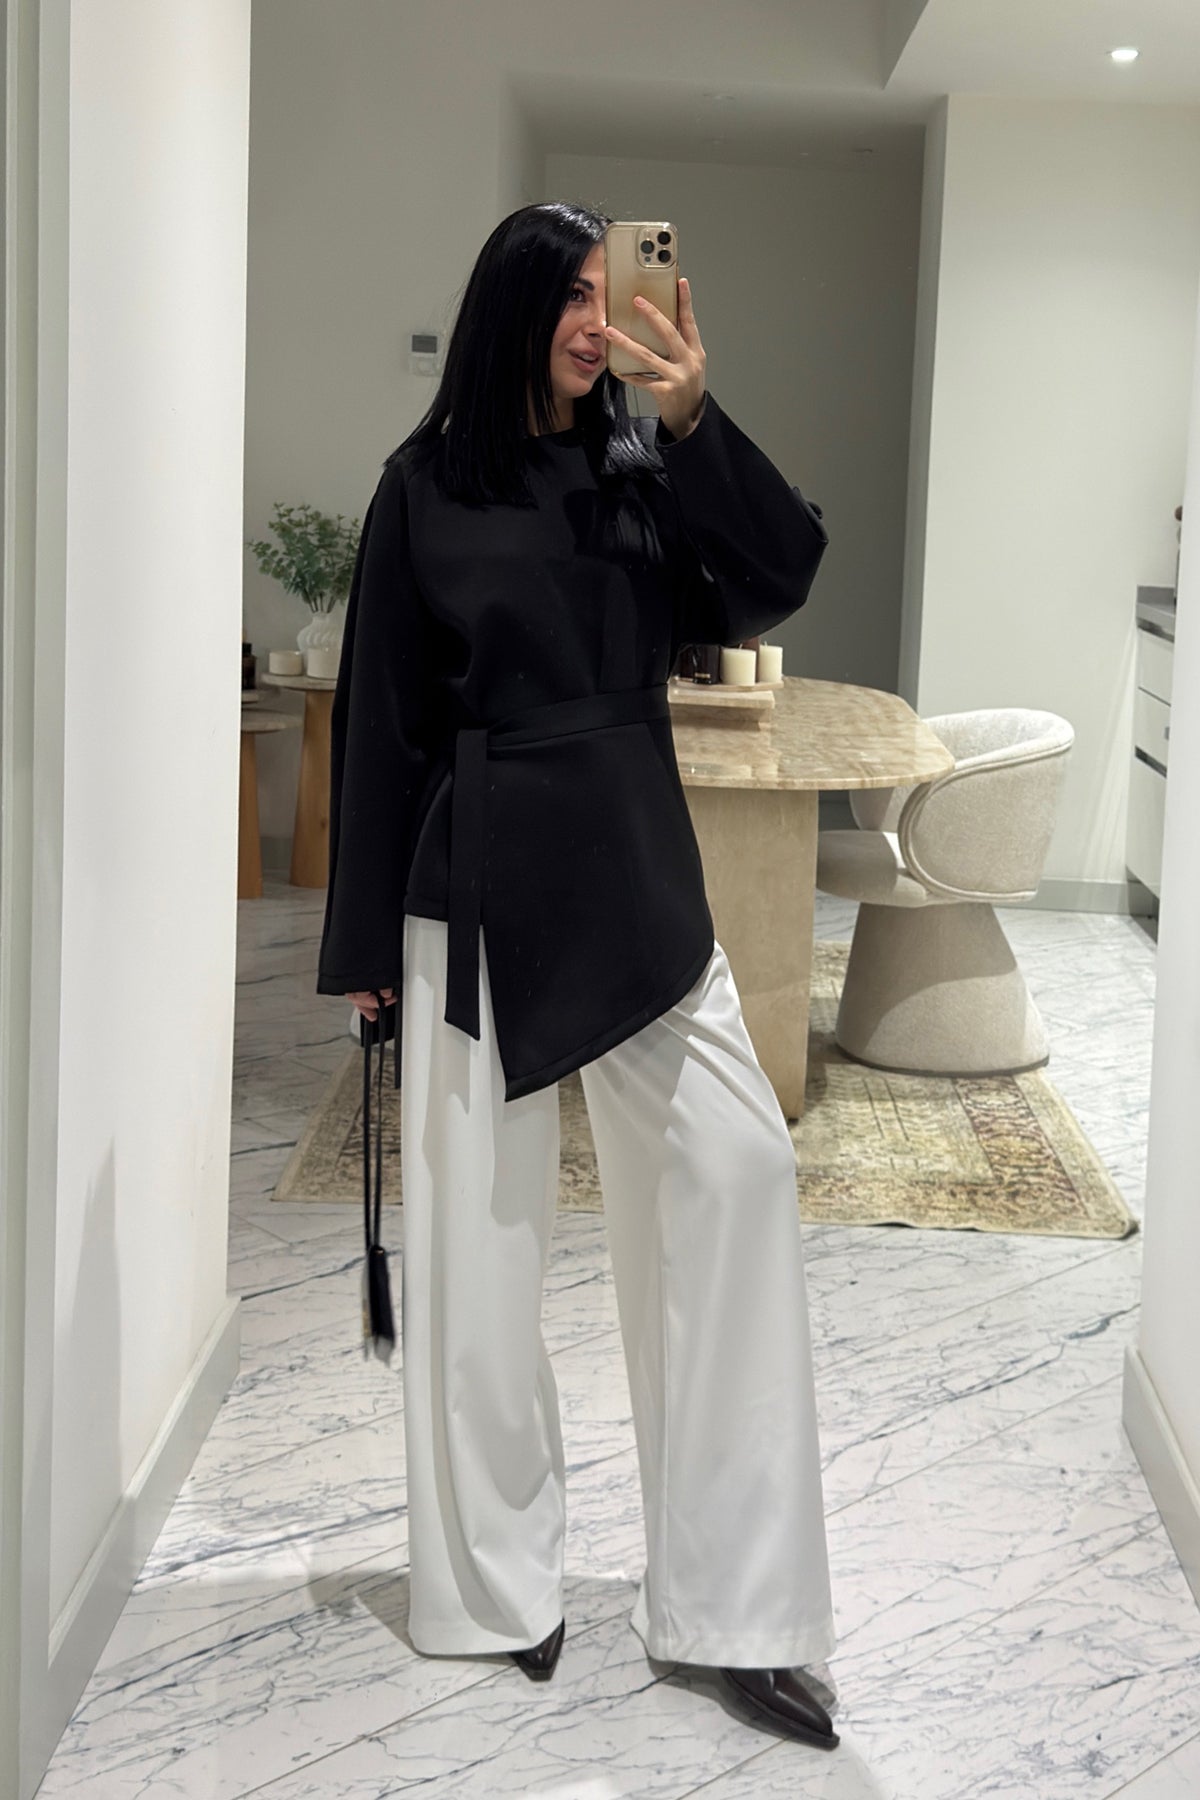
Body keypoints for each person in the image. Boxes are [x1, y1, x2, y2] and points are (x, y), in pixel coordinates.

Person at [316, 201, 839, 1750]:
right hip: (472, 888)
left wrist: (695, 419)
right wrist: (366, 956)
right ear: (513, 309)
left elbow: (778, 577)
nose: (600, 320)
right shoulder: (419, 490)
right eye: (572, 295)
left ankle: (735, 1609)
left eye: (613, 293)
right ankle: (493, 1588)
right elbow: (383, 728)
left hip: (635, 872)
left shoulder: (639, 464)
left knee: (739, 1178)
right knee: (479, 1257)